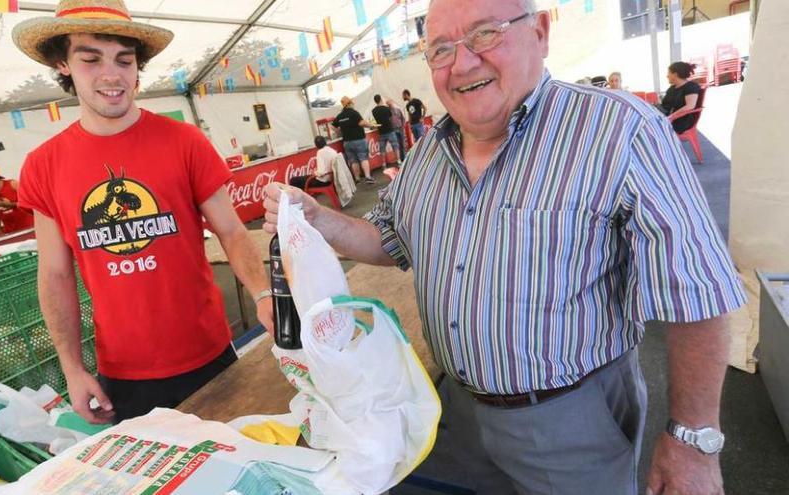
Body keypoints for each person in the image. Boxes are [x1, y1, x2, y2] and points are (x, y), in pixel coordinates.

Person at [262, 1, 745, 494]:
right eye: (441, 50)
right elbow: (390, 239)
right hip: (453, 408)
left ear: (539, 32)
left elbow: (698, 297)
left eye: (485, 34)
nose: (463, 62)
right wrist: (319, 219)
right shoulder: (430, 150)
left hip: (569, 419)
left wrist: (692, 441)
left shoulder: (620, 131)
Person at [12, 0, 274, 424]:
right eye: (90, 59)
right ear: (62, 64)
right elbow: (55, 274)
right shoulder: (43, 165)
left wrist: (263, 295)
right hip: (124, 376)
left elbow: (231, 231)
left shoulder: (184, 140)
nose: (112, 75)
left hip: (210, 355)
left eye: (124, 59)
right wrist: (72, 369)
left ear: (138, 67)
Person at [0, 164, 34, 234]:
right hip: (11, 232)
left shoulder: (13, 184)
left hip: (29, 227)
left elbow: (31, 202)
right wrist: (0, 233)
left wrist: (10, 205)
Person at [332, 96, 376, 184]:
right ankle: (367, 177)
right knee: (363, 158)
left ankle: (357, 178)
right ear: (349, 104)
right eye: (352, 103)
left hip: (347, 142)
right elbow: (362, 123)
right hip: (358, 139)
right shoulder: (354, 113)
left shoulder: (340, 115)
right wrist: (371, 125)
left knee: (353, 160)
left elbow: (333, 126)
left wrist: (340, 131)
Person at [661, 61, 703, 134]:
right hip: (668, 117)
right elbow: (666, 104)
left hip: (680, 121)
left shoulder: (690, 87)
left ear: (675, 74)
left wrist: (670, 117)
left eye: (669, 73)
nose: (667, 76)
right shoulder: (672, 88)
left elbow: (690, 106)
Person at [371, 94, 402, 166]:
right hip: (390, 130)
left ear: (375, 101)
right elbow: (390, 118)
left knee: (382, 148)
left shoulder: (373, 111)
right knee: (395, 146)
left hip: (381, 132)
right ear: (381, 99)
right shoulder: (386, 108)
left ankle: (384, 163)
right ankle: (399, 161)